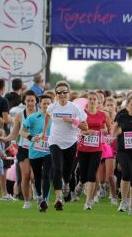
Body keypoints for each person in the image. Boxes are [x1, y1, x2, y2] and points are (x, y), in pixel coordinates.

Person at [43, 81, 88, 211]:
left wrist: (73, 120)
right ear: (56, 94)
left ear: (68, 93)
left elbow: (85, 127)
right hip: (55, 141)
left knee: (67, 172)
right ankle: (58, 198)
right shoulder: (52, 107)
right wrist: (44, 131)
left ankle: (66, 184)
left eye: (65, 92)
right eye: (59, 92)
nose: (62, 94)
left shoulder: (75, 108)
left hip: (70, 143)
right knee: (57, 168)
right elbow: (47, 116)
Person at [20, 93, 54, 212]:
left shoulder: (55, 118)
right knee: (37, 177)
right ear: (39, 104)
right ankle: (39, 196)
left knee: (46, 175)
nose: (46, 105)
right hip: (35, 151)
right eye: (44, 103)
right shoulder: (33, 117)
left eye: (48, 104)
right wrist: (31, 137)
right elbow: (21, 131)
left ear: (52, 105)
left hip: (49, 151)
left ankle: (45, 199)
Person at [77, 91, 110, 210]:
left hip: (97, 148)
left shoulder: (103, 115)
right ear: (87, 101)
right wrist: (86, 132)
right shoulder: (82, 114)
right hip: (83, 147)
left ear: (98, 101)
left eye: (94, 99)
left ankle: (88, 202)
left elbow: (108, 129)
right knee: (84, 174)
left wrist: (105, 131)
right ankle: (81, 183)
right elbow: (77, 128)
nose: (92, 101)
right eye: (90, 99)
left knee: (92, 175)